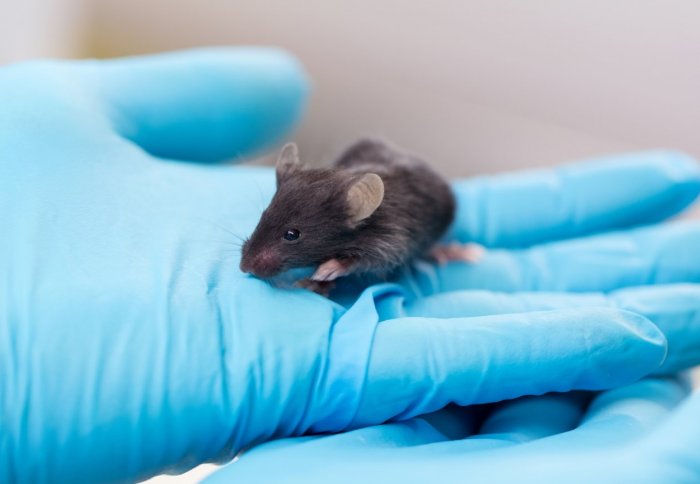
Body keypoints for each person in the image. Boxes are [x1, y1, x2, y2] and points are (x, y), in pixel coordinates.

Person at [1, 48, 699, 483]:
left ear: (349, 218)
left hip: (416, 203)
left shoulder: (380, 217)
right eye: (269, 236)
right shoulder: (305, 208)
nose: (261, 260)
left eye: (291, 238)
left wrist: (341, 265)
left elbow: (390, 248)